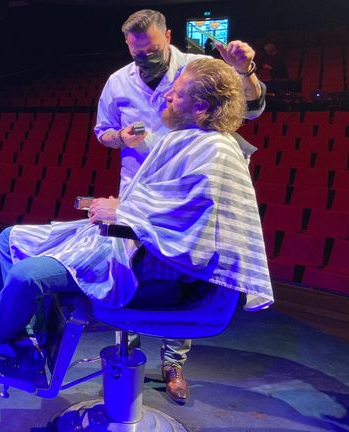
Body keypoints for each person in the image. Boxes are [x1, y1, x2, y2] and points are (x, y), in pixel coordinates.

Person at [0, 58, 274, 405]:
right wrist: (120, 208)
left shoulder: (215, 149)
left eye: (177, 93)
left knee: (26, 275)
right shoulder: (188, 138)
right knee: (9, 238)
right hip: (135, 243)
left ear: (201, 106)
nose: (167, 96)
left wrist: (123, 212)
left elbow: (191, 226)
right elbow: (162, 201)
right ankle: (27, 344)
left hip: (155, 274)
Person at [91, 9, 266, 403]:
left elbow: (250, 109)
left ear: (168, 36)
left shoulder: (198, 68)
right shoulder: (117, 82)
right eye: (137, 53)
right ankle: (127, 352)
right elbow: (102, 132)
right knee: (132, 270)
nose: (145, 59)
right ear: (127, 46)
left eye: (152, 50)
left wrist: (246, 70)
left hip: (185, 191)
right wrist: (119, 136)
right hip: (140, 189)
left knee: (183, 266)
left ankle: (173, 363)